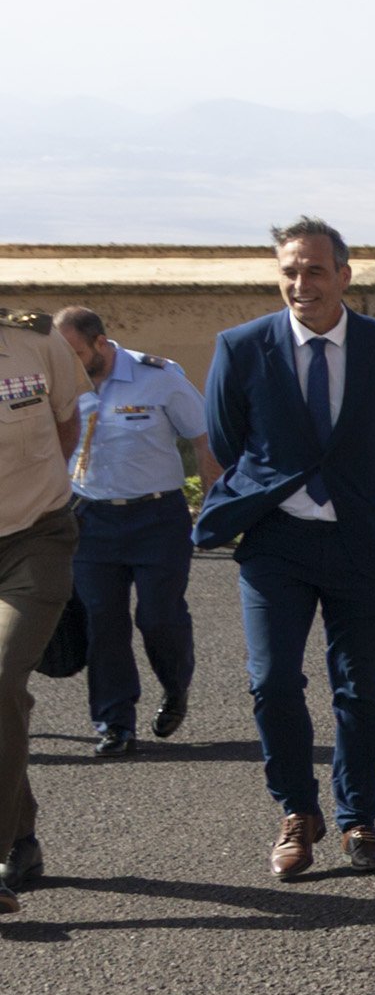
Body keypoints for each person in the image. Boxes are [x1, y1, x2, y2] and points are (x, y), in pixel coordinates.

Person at [193, 218, 375, 880]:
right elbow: (229, 441)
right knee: (272, 682)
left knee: (361, 688)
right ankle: (298, 810)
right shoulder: (241, 348)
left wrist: (357, 492)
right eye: (290, 271)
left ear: (344, 276)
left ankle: (359, 819)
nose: (302, 284)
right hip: (278, 543)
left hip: (362, 540)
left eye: (315, 270)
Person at [56, 306, 219, 755]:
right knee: (102, 621)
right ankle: (114, 722)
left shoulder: (159, 376)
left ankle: (175, 685)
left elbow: (204, 436)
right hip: (90, 520)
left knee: (158, 617)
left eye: (75, 353)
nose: (66, 363)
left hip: (156, 518)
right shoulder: (57, 381)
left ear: (101, 344)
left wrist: (212, 506)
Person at [0, 309, 85, 909]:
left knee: (0, 676)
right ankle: (22, 834)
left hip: (36, 538)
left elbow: (65, 426)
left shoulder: (35, 340)